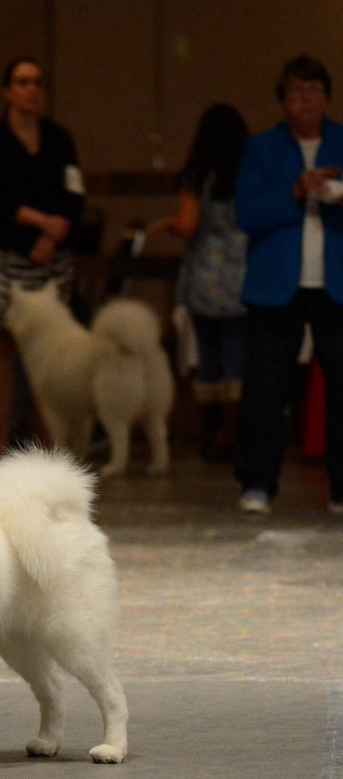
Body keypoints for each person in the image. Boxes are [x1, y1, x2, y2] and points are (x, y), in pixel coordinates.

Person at [234, 55, 343, 515]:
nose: (307, 102)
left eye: (315, 92)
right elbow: (247, 215)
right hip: (276, 283)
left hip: (335, 282)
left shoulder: (341, 141)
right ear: (282, 102)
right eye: (297, 94)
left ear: (327, 97)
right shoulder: (262, 148)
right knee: (265, 387)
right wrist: (295, 193)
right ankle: (258, 482)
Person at [0, 56, 84, 456]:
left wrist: (52, 236)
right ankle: (1, 438)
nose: (31, 89)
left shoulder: (59, 138)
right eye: (22, 82)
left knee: (51, 345)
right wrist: (41, 223)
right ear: (7, 91)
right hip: (4, 251)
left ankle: (46, 439)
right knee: (1, 340)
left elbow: (74, 194)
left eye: (38, 82)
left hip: (52, 254)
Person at [147, 104, 249, 460]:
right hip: (241, 276)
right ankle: (235, 432)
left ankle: (211, 433)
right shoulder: (247, 174)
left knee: (208, 357)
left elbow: (188, 225)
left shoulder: (196, 176)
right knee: (238, 355)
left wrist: (163, 225)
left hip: (204, 276)